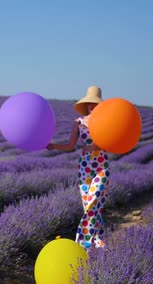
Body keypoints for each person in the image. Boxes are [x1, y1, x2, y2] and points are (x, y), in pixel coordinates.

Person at [46, 86, 110, 250]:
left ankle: (83, 244)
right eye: (90, 103)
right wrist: (54, 146)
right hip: (85, 165)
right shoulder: (78, 122)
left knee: (94, 201)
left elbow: (112, 143)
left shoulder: (106, 121)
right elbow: (70, 145)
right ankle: (97, 240)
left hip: (101, 164)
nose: (92, 106)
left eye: (95, 103)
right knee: (89, 205)